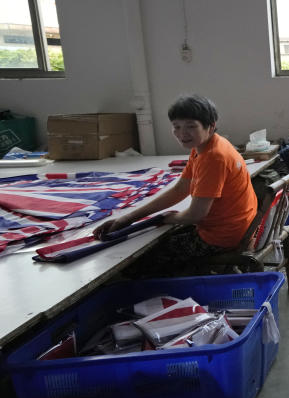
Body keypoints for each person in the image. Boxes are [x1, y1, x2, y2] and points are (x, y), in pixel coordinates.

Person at [94, 94, 258, 272]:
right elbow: (181, 189)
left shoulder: (213, 157)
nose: (182, 134)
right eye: (176, 127)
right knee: (156, 237)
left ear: (211, 126)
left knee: (141, 258)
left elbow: (196, 215)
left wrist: (169, 218)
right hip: (236, 226)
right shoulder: (205, 147)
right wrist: (127, 218)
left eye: (191, 126)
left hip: (223, 236)